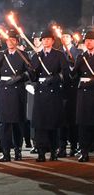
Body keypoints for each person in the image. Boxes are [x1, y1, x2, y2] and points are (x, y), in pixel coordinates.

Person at [0, 29, 32, 162]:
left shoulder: (23, 55)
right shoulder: (1, 55)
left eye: (13, 40)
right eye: (8, 40)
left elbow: (30, 74)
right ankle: (6, 152)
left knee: (17, 123)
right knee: (4, 124)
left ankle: (18, 150)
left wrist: (20, 77)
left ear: (17, 42)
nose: (10, 42)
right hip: (4, 91)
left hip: (18, 91)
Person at [31, 30, 69, 162]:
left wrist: (53, 79)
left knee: (53, 124)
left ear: (52, 41)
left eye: (48, 39)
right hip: (41, 92)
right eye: (43, 39)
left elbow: (65, 73)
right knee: (40, 125)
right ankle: (41, 152)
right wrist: (32, 72)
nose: (45, 41)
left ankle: (53, 151)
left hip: (53, 92)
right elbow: (33, 76)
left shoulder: (59, 55)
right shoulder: (36, 56)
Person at [57, 29, 83, 158]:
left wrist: (74, 69)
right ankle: (61, 146)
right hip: (60, 90)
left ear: (72, 38)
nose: (65, 38)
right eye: (63, 36)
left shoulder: (79, 53)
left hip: (73, 91)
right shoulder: (57, 53)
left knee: (72, 119)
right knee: (61, 119)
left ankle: (73, 145)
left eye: (67, 36)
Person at [72, 30, 94, 162]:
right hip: (84, 93)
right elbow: (73, 76)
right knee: (83, 123)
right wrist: (76, 66)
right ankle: (84, 151)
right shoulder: (81, 57)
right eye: (87, 41)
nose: (89, 42)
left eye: (91, 40)